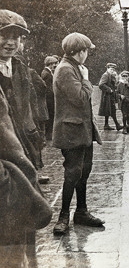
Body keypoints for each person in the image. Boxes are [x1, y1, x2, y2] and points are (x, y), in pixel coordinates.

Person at [0, 9, 52, 266]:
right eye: (4, 36)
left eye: (16, 37)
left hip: (23, 149)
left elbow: (26, 107)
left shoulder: (19, 67)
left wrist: (32, 136)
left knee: (27, 216)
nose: (10, 42)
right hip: (5, 157)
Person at [52, 32, 104, 235]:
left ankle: (81, 212)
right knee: (73, 173)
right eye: (86, 51)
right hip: (71, 131)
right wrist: (86, 79)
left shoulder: (72, 67)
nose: (87, 55)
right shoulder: (66, 70)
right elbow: (81, 98)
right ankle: (63, 216)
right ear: (79, 51)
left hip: (82, 130)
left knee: (83, 171)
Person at [98, 63, 123, 130]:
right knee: (111, 110)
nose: (112, 71)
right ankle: (117, 125)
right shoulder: (105, 75)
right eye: (111, 69)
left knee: (110, 110)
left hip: (110, 96)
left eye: (113, 69)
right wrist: (109, 90)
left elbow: (113, 85)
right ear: (107, 68)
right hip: (107, 96)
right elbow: (101, 85)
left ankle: (107, 125)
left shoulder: (110, 75)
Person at [41, 55, 58, 140]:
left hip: (49, 98)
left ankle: (49, 134)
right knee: (50, 116)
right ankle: (48, 135)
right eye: (54, 63)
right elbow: (47, 88)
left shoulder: (48, 72)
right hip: (49, 99)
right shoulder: (46, 73)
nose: (54, 65)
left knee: (51, 116)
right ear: (50, 64)